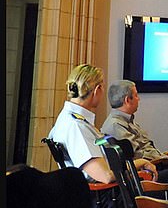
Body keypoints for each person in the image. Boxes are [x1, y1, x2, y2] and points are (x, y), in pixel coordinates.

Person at [48, 64, 157, 207]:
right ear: (98, 90)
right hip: (106, 197)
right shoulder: (76, 126)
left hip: (102, 193)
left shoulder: (66, 119)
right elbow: (106, 176)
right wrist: (141, 162)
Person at [101, 80, 168, 185]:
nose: (138, 99)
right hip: (142, 176)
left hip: (151, 167)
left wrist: (162, 156)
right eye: (136, 95)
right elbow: (136, 156)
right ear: (127, 100)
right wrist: (161, 158)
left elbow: (143, 148)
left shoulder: (127, 121)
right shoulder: (115, 125)